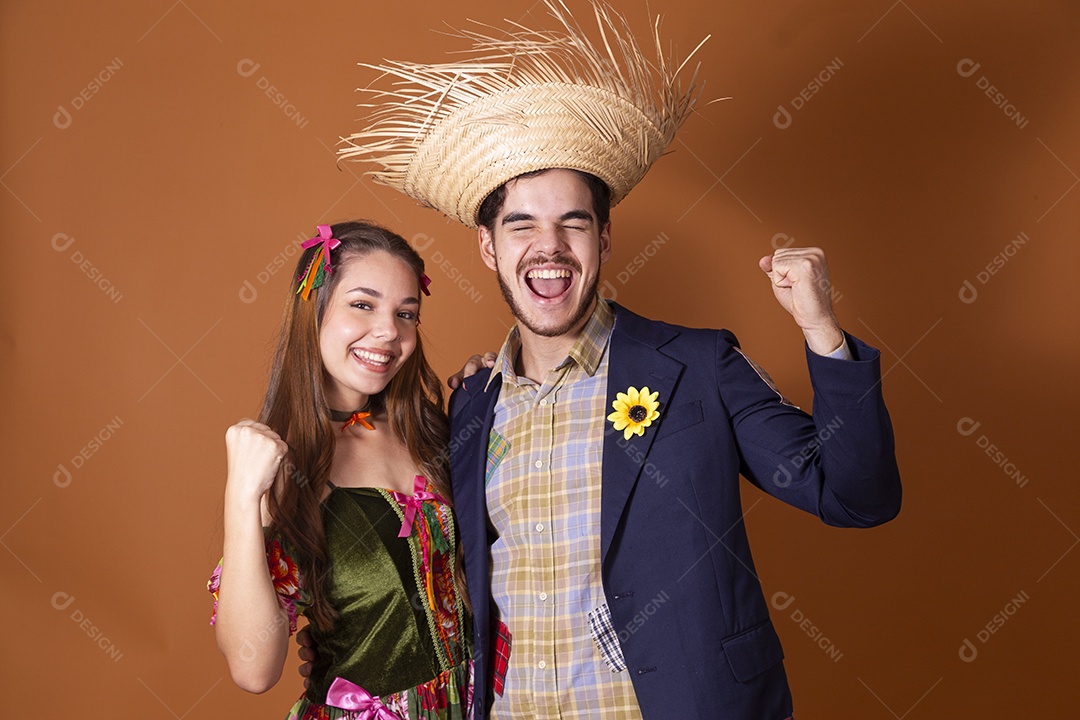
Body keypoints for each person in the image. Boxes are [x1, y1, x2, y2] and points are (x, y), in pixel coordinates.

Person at [315, 2, 902, 718]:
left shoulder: (697, 365)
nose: (550, 246)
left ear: (606, 238)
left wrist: (822, 331)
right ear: (488, 247)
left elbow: (856, 496)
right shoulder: (471, 402)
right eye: (522, 223)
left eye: (574, 222)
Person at [208, 221, 473, 719]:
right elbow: (253, 669)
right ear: (315, 309)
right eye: (363, 304)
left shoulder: (433, 428)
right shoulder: (282, 468)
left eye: (406, 313)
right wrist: (242, 498)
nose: (389, 331)